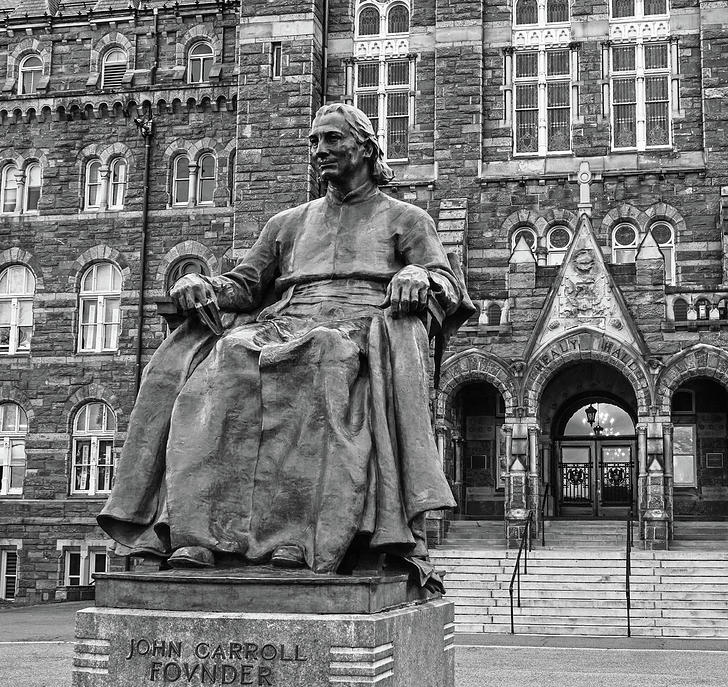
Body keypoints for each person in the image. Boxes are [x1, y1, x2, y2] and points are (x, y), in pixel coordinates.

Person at [98, 104, 474, 587]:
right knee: (226, 358)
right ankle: (201, 533)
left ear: (365, 147)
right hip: (286, 319)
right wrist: (202, 283)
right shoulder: (287, 223)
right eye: (314, 142)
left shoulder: (406, 218)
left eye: (333, 140)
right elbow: (244, 285)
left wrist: (418, 272)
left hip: (360, 323)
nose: (320, 151)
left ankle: (305, 537)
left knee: (324, 355)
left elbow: (447, 284)